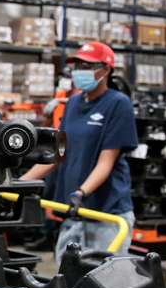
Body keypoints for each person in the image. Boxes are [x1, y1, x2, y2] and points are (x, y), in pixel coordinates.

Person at [21, 42, 138, 261]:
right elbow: (58, 154)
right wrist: (20, 183)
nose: (80, 71)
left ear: (106, 69)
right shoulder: (73, 104)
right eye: (77, 66)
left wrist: (81, 192)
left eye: (87, 65)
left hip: (106, 215)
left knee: (102, 284)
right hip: (74, 213)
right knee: (66, 284)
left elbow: (106, 161)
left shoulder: (118, 104)